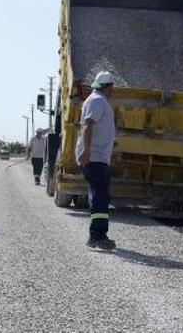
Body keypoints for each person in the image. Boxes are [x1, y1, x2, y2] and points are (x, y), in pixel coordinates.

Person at [76, 71, 116, 250]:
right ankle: (97, 236)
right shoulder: (98, 101)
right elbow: (88, 125)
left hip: (97, 156)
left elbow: (93, 126)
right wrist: (86, 150)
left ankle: (96, 235)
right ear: (110, 87)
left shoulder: (96, 100)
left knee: (100, 194)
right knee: (100, 195)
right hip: (95, 157)